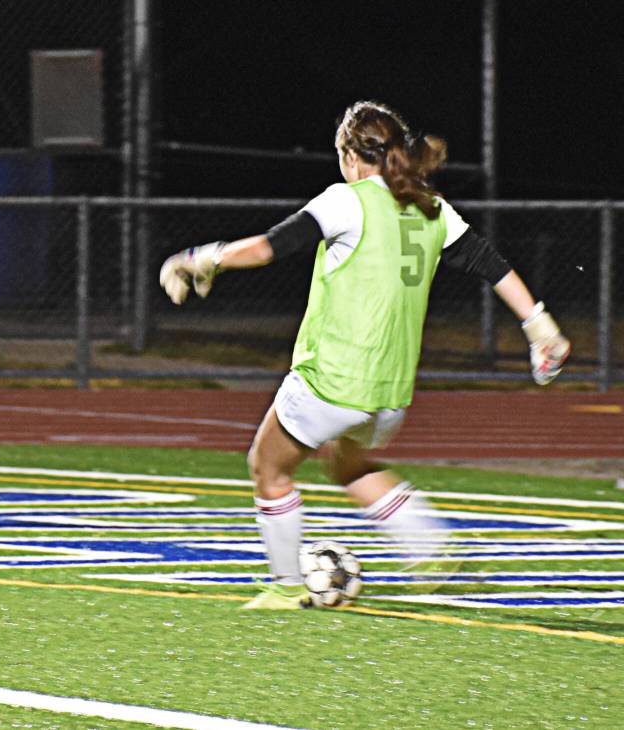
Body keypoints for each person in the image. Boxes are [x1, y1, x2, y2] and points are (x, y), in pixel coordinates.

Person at [159, 100, 570, 609]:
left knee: (268, 468)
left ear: (351, 156)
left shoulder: (345, 200)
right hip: (389, 394)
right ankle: (431, 546)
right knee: (348, 464)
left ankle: (287, 588)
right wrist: (539, 326)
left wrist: (204, 259)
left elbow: (271, 246)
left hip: (331, 379)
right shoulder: (431, 207)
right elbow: (490, 264)